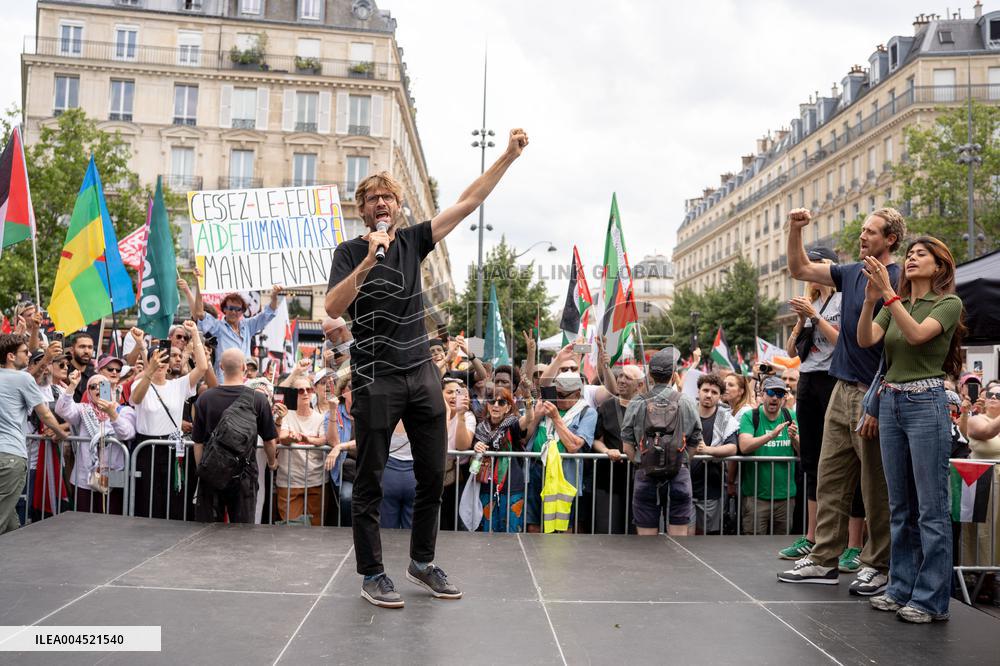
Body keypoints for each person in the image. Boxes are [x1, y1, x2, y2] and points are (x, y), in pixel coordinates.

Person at [325, 128, 528, 608]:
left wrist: (508, 157)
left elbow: (467, 202)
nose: (382, 203)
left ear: (397, 207)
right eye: (373, 198)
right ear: (363, 208)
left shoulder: (415, 240)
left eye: (388, 198)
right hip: (375, 375)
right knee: (370, 477)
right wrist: (368, 262)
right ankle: (373, 572)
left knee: (433, 474)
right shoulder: (350, 252)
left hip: (421, 374)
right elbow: (333, 306)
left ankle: (421, 561)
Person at [778, 207, 904, 596]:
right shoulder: (849, 273)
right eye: (862, 230)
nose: (863, 236)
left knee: (875, 486)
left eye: (871, 232)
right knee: (830, 478)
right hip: (840, 386)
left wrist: (878, 398)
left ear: (891, 240)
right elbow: (799, 269)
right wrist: (795, 229)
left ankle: (877, 565)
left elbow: (898, 346)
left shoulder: (901, 278)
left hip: (875, 389)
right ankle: (823, 559)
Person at [858, 236, 965, 623]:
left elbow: (919, 336)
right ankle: (899, 587)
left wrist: (888, 294)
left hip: (926, 404)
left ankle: (931, 599)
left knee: (930, 510)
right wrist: (872, 297)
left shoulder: (948, 303)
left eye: (921, 254)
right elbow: (867, 338)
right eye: (909, 255)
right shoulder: (895, 303)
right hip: (891, 404)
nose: (911, 259)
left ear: (940, 266)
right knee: (900, 506)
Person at [778, 250, 864, 571]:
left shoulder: (845, 299)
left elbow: (846, 342)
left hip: (835, 380)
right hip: (809, 381)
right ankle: (812, 536)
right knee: (812, 461)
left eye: (816, 264)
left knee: (849, 462)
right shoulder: (815, 302)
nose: (809, 271)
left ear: (830, 267)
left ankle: (853, 544)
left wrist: (815, 317)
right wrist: (803, 319)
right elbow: (790, 352)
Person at [130, 320, 208, 519]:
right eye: (158, 360)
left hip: (173, 447)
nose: (161, 365)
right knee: (149, 498)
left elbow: (202, 368)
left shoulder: (178, 385)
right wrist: (149, 370)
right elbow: (136, 399)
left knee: (174, 496)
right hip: (147, 447)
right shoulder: (140, 383)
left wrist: (195, 335)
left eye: (165, 361)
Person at [621, 349, 703, 536]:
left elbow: (626, 446)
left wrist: (642, 461)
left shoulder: (637, 403)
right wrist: (681, 461)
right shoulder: (687, 402)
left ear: (650, 375)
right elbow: (696, 440)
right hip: (679, 475)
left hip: (645, 475)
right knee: (679, 540)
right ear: (674, 376)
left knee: (647, 541)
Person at [192, 349, 278, 523]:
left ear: (221, 367)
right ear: (245, 367)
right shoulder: (258, 400)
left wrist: (203, 470)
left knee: (208, 533)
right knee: (243, 531)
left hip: (212, 473)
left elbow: (198, 442)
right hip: (244, 476)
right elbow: (269, 440)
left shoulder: (205, 399)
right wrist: (272, 462)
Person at [0, 334, 67, 534]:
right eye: (25, 352)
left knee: (10, 521)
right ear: (11, 356)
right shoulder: (23, 378)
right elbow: (44, 413)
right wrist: (60, 433)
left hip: (7, 455)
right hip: (11, 457)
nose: (28, 355)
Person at [55, 373, 135, 514]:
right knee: (84, 519)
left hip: (114, 474)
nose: (97, 388)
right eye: (93, 387)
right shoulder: (82, 410)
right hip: (85, 475)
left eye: (102, 385)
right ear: (89, 391)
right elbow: (62, 410)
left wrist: (112, 414)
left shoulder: (124, 411)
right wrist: (72, 385)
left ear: (110, 389)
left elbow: (127, 433)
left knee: (111, 517)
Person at [524, 373, 593, 533]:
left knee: (564, 525)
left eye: (561, 395)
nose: (557, 398)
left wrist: (556, 417)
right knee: (534, 522)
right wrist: (537, 416)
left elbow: (574, 446)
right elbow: (524, 438)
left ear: (577, 393)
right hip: (537, 470)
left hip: (565, 474)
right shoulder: (543, 406)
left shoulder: (587, 413)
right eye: (555, 393)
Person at [737, 375, 799, 535]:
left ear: (784, 397)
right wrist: (771, 435)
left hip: (785, 498)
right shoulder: (751, 416)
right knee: (754, 548)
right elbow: (744, 446)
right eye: (771, 392)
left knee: (782, 546)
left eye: (779, 394)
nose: (774, 398)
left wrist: (795, 438)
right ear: (762, 393)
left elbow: (802, 452)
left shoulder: (790, 416)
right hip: (756, 498)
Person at [471, 386, 534, 533]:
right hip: (487, 486)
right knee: (488, 530)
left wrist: (528, 400)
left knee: (511, 531)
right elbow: (474, 451)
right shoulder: (480, 428)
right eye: (492, 401)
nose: (496, 405)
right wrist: (476, 445)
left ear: (508, 408)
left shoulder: (512, 425)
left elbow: (529, 418)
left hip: (512, 486)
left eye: (502, 402)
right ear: (487, 404)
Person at [592, 365, 644, 534]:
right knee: (608, 530)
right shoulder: (606, 407)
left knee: (635, 532)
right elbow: (596, 440)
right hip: (609, 480)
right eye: (620, 376)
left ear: (640, 385)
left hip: (639, 480)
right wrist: (607, 451)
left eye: (628, 378)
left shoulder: (647, 408)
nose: (621, 380)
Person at [193, 287, 284, 380]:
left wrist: (274, 296)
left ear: (242, 311)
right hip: (225, 381)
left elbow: (268, 314)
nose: (233, 312)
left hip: (245, 380)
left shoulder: (248, 325)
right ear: (224, 309)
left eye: (237, 309)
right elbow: (199, 312)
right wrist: (199, 284)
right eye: (231, 308)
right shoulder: (218, 327)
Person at [691, 373, 739, 535]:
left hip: (710, 489)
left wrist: (707, 450)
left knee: (707, 539)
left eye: (714, 392)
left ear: (720, 396)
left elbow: (732, 448)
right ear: (698, 391)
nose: (709, 395)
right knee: (682, 537)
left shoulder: (725, 418)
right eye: (705, 390)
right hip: (683, 487)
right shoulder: (687, 412)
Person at [276, 376, 328, 525]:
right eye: (300, 390)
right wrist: (292, 438)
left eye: (309, 389)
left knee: (316, 531)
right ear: (293, 394)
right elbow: (282, 437)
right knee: (290, 530)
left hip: (316, 481)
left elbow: (324, 439)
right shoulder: (286, 415)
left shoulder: (320, 418)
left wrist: (307, 439)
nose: (305, 393)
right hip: (289, 483)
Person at [966, 381, 1000, 604]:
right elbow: (986, 432)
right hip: (985, 482)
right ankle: (983, 578)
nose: (994, 398)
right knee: (984, 532)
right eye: (991, 395)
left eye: (999, 395)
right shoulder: (976, 418)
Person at [440, 376, 475, 530]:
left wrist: (459, 415)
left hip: (458, 477)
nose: (454, 396)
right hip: (433, 473)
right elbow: (438, 442)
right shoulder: (430, 415)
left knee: (454, 520)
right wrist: (446, 414)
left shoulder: (468, 416)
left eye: (457, 393)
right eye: (449, 392)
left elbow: (462, 446)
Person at [66, 332, 96, 402]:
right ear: (72, 350)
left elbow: (107, 403)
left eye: (90, 347)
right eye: (82, 347)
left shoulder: (100, 378)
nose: (86, 351)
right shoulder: (61, 372)